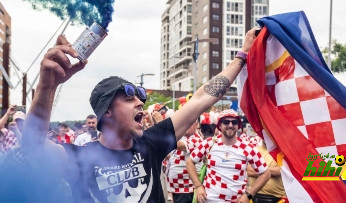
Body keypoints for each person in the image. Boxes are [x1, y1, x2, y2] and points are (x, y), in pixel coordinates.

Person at [17, 27, 259, 202]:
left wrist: (242, 56)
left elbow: (200, 99)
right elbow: (32, 146)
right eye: (129, 97)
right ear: (106, 112)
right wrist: (48, 86)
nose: (140, 103)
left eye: (140, 97)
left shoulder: (150, 143)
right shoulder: (80, 158)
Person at [186, 109, 271, 203]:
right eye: (226, 122)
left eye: (234, 122)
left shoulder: (248, 148)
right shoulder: (209, 143)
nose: (230, 125)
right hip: (209, 200)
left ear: (238, 126)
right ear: (219, 125)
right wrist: (198, 186)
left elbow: (266, 173)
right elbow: (190, 162)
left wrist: (249, 194)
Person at [166, 120, 203, 203]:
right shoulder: (182, 137)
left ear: (196, 125)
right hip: (177, 187)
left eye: (188, 123)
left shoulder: (197, 139)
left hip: (186, 188)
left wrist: (164, 128)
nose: (184, 126)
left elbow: (179, 145)